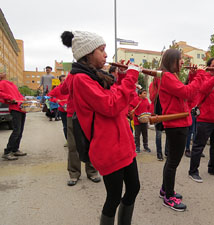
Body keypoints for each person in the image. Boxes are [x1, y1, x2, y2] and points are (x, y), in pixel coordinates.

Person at [61, 30, 140, 225]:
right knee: (113, 198)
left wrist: (122, 77)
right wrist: (130, 78)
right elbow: (110, 105)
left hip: (123, 145)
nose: (106, 55)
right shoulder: (81, 79)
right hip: (108, 149)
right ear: (88, 53)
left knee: (134, 188)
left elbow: (118, 98)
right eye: (101, 50)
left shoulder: (97, 75)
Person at [155, 49, 214, 212]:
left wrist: (193, 76)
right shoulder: (167, 77)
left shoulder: (171, 76)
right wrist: (200, 75)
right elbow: (187, 91)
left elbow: (187, 96)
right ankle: (168, 197)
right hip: (176, 124)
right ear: (172, 61)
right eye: (180, 60)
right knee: (173, 162)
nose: (183, 63)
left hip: (178, 122)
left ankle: (165, 189)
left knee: (171, 160)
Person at [0, 72, 27, 160]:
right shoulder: (2, 83)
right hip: (15, 108)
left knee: (20, 130)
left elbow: (18, 94)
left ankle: (15, 149)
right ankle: (7, 152)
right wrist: (10, 98)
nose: (3, 72)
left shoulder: (10, 84)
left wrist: (23, 99)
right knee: (16, 130)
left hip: (21, 107)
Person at [149, 81, 168, 161]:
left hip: (166, 112)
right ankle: (159, 153)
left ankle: (167, 152)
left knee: (168, 133)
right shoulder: (153, 85)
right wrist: (158, 88)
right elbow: (152, 98)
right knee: (158, 134)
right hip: (157, 112)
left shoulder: (167, 84)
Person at [129, 89, 151, 153]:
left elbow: (149, 108)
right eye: (144, 93)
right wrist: (132, 111)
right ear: (140, 94)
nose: (145, 94)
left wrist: (149, 114)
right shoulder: (135, 100)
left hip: (145, 120)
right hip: (137, 120)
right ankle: (137, 147)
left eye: (146, 93)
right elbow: (130, 106)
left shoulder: (146, 100)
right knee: (137, 135)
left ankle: (145, 146)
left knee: (145, 134)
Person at [48, 75, 68, 142]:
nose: (65, 81)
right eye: (63, 80)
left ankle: (73, 142)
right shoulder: (57, 89)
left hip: (72, 109)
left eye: (66, 79)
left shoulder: (71, 87)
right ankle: (68, 140)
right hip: (63, 110)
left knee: (74, 127)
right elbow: (49, 96)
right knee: (66, 126)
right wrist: (56, 100)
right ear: (60, 81)